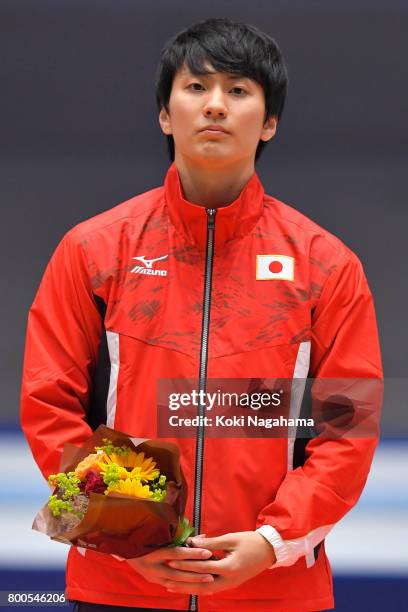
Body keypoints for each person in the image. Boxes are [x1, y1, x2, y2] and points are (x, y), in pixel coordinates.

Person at [20, 17, 383, 612]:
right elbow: (49, 404)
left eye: (238, 91)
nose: (215, 105)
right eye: (196, 88)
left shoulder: (326, 266)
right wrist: (123, 535)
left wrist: (271, 543)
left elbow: (347, 431)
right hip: (120, 586)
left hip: (275, 590)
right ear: (165, 114)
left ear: (269, 122)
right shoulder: (94, 251)